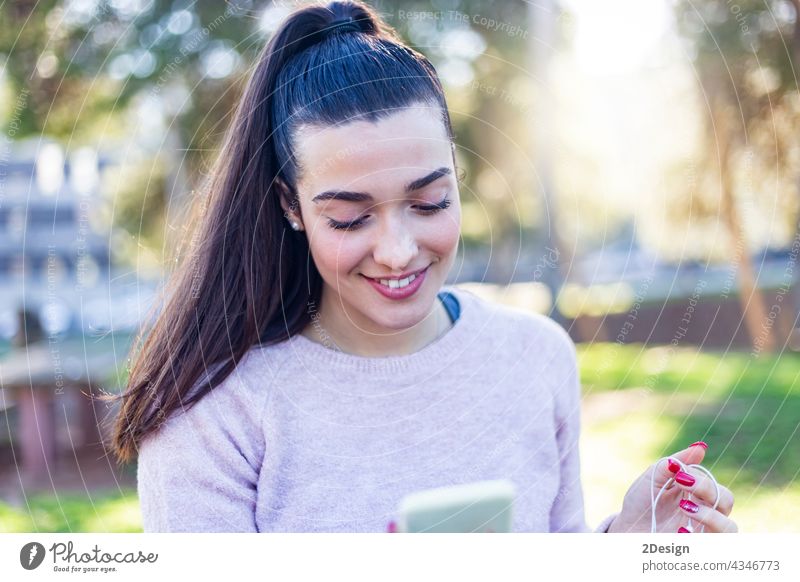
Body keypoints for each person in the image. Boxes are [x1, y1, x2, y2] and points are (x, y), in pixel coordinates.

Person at [109, 0, 737, 534]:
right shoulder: (215, 416)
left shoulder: (535, 357)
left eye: (429, 202)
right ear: (290, 207)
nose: (399, 249)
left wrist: (625, 552)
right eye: (350, 217)